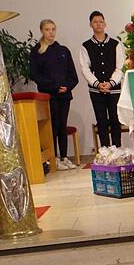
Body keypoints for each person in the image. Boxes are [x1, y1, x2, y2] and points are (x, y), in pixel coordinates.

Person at [30, 19, 79, 170]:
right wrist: (54, 87)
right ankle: (54, 158)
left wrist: (67, 87)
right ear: (42, 31)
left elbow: (73, 75)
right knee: (52, 126)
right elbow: (35, 75)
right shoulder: (37, 51)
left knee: (62, 125)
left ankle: (64, 157)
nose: (50, 32)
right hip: (49, 96)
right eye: (47, 30)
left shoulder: (63, 50)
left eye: (53, 29)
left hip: (64, 95)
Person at [79, 11, 125, 149]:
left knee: (115, 119)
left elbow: (120, 67)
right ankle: (105, 149)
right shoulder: (85, 46)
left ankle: (117, 148)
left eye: (100, 21)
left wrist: (111, 83)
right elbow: (85, 68)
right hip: (96, 90)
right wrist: (97, 83)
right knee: (101, 120)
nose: (98, 24)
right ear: (90, 25)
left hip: (114, 89)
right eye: (95, 22)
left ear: (105, 24)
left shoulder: (115, 44)